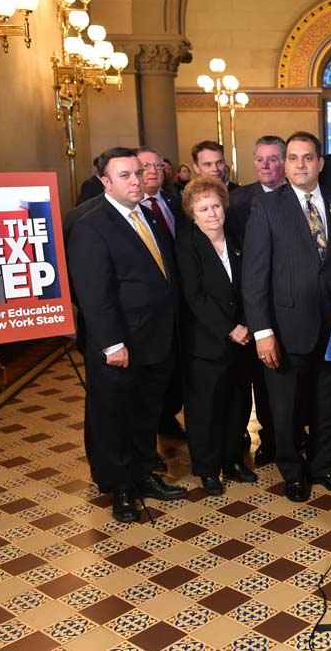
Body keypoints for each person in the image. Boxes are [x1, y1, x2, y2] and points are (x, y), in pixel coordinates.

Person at [243, 131, 331, 503]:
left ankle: (324, 469)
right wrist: (263, 331)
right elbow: (254, 274)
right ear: (285, 164)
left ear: (320, 163)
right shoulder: (267, 207)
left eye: (307, 157)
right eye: (293, 158)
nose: (300, 164)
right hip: (286, 328)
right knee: (286, 407)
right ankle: (293, 473)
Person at [66, 147, 187, 523]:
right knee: (112, 418)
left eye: (138, 173)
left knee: (145, 413)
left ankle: (143, 475)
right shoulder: (91, 224)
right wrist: (111, 343)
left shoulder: (147, 214)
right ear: (106, 182)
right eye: (125, 176)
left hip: (155, 339)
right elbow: (93, 293)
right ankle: (119, 488)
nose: (136, 181)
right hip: (119, 344)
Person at [176, 177, 259, 496]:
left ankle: (232, 461)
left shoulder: (237, 237)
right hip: (206, 342)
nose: (211, 213)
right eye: (203, 208)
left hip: (243, 339)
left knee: (238, 404)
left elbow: (250, 283)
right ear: (192, 214)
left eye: (214, 206)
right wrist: (230, 328)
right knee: (205, 409)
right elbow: (194, 296)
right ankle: (208, 470)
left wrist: (246, 323)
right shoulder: (186, 244)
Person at [226, 135, 287, 467]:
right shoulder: (238, 201)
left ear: (285, 162)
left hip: (291, 302)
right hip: (253, 304)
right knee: (262, 378)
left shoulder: (298, 197)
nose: (266, 165)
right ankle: (270, 438)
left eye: (273, 159)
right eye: (260, 159)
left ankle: (291, 434)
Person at [137, 146, 188, 446]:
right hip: (149, 315)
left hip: (179, 306)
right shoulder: (130, 211)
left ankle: (167, 418)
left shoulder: (174, 201)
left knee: (174, 373)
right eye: (146, 167)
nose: (154, 171)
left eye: (158, 165)